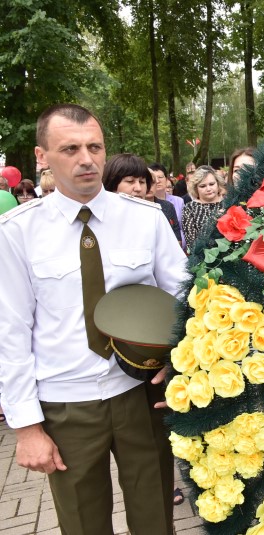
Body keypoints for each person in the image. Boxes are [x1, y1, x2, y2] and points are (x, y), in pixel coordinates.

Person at [0, 103, 186, 534]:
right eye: (70, 149)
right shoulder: (17, 232)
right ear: (42, 156)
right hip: (65, 405)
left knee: (156, 519)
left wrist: (179, 362)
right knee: (83, 524)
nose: (86, 159)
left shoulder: (145, 219)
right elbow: (10, 331)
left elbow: (184, 299)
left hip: (139, 393)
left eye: (95, 147)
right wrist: (26, 427)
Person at [182, 166, 225, 253]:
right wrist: (213, 221)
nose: (208, 189)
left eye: (212, 184)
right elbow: (192, 243)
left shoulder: (228, 203)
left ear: (218, 184)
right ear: (196, 188)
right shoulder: (189, 208)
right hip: (203, 257)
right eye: (202, 186)